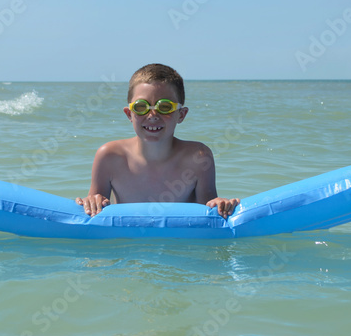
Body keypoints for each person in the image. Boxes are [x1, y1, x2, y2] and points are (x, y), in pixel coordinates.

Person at [75, 63, 240, 219]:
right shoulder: (110, 156)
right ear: (129, 114)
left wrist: (220, 204)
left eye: (165, 107)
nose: (152, 116)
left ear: (181, 115)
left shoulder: (198, 157)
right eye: (141, 107)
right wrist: (92, 201)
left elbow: (209, 212)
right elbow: (94, 211)